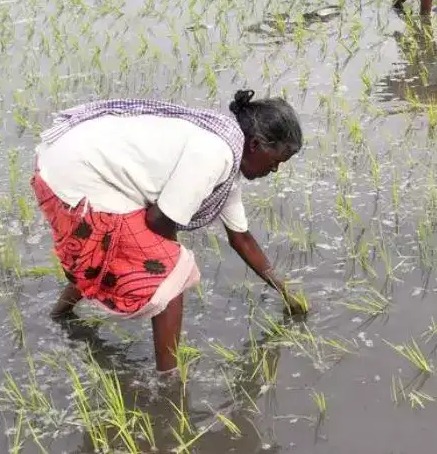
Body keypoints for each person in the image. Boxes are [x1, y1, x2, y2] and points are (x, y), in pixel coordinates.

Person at [31, 92, 307, 373]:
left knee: (116, 249)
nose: (275, 169)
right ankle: (169, 380)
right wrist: (170, 261)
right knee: (174, 269)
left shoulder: (227, 152)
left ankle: (60, 315)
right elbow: (159, 221)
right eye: (277, 160)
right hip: (78, 175)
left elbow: (241, 238)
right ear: (256, 145)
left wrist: (285, 291)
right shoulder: (216, 154)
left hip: (62, 161)